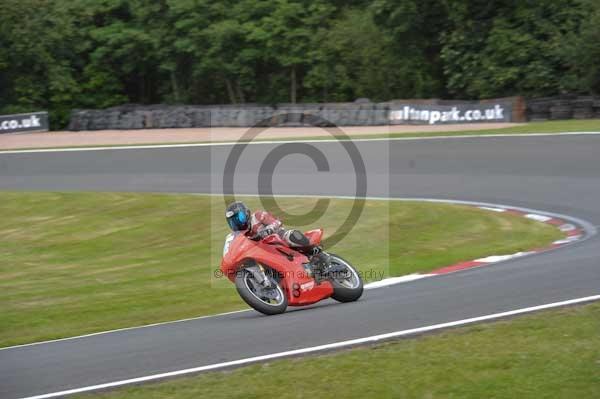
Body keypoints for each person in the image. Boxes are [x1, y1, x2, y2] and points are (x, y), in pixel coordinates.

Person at [225, 201, 328, 269]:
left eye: (239, 218)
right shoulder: (240, 235)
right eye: (233, 221)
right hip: (265, 252)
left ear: (246, 213)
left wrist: (268, 230)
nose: (237, 222)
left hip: (279, 238)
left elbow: (277, 222)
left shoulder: (257, 216)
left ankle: (318, 253)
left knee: (291, 236)